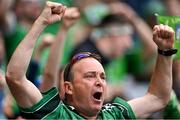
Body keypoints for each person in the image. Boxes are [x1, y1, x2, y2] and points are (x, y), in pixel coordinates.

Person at [5, 1, 175, 119]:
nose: (99, 81)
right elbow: (15, 77)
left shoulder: (114, 114)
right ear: (68, 88)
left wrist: (165, 51)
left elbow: (158, 98)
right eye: (90, 76)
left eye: (102, 76)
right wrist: (41, 22)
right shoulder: (55, 114)